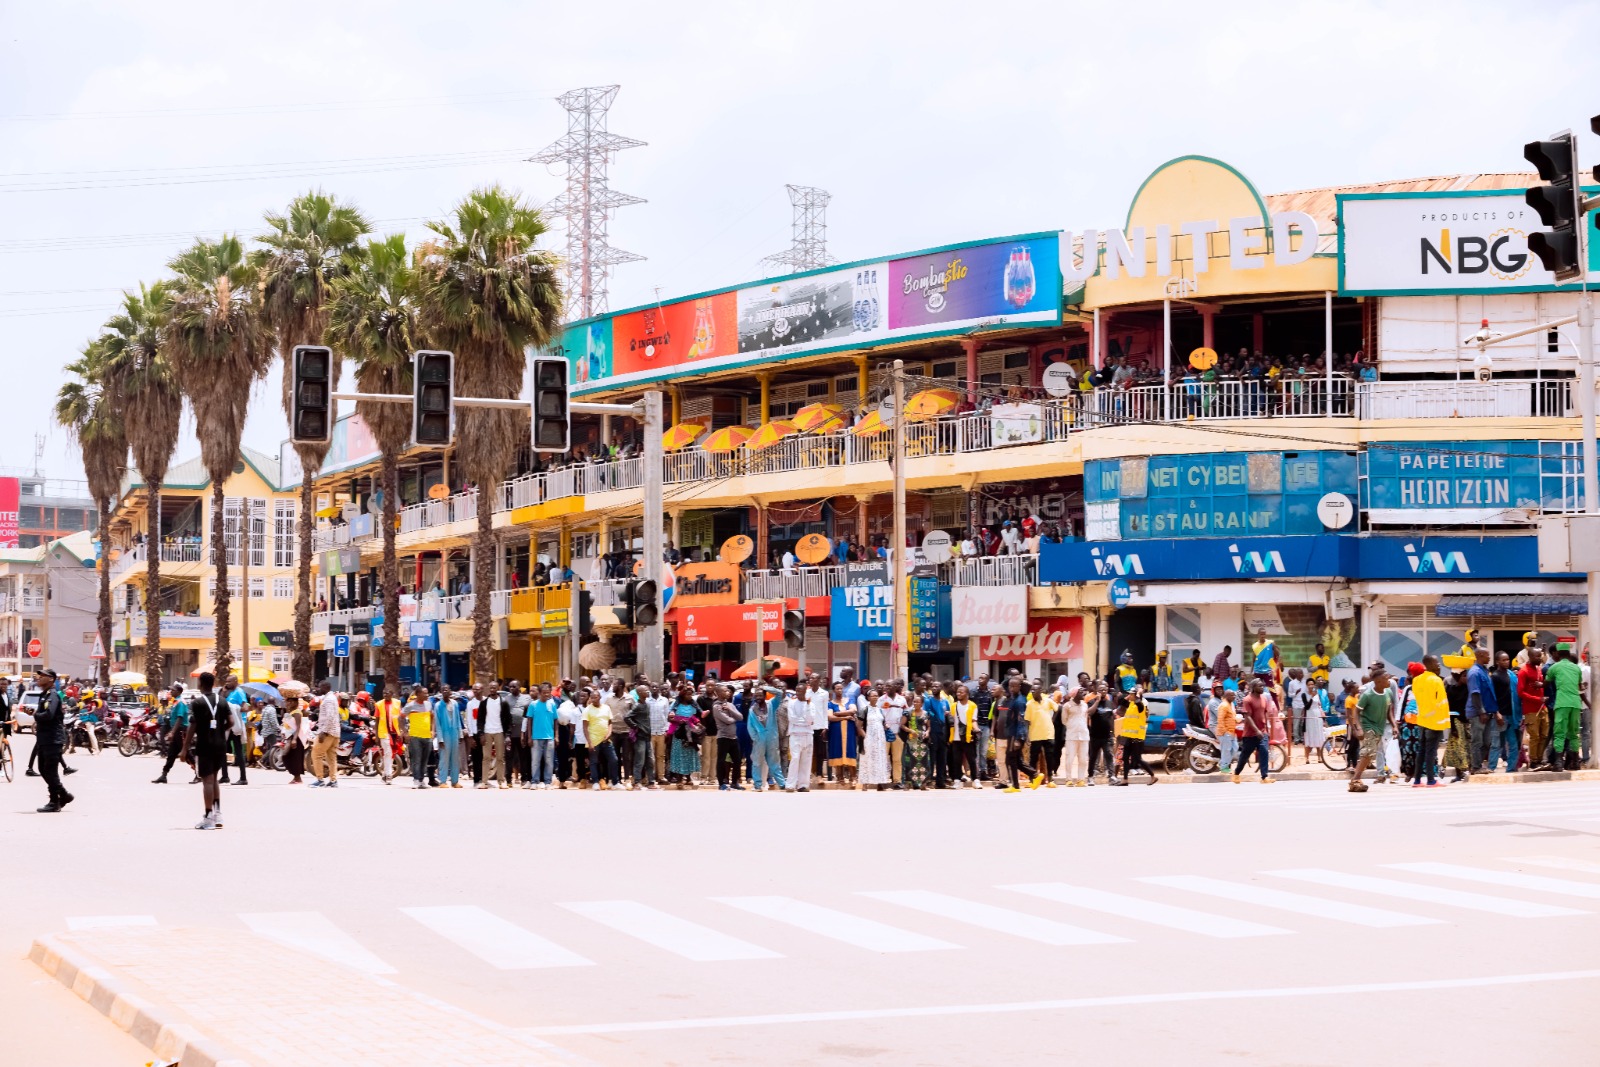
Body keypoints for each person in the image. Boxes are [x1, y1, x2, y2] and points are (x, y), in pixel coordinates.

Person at [185, 672, 232, 829]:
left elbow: (193, 726)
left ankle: (208, 817)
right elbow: (231, 721)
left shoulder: (197, 703)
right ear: (213, 683)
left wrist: (184, 748)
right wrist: (220, 730)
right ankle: (218, 815)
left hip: (205, 744)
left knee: (207, 781)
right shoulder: (223, 701)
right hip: (220, 744)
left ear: (200, 683)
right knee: (215, 778)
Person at [31, 669, 71, 813]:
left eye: (42, 676)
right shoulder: (45, 695)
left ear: (51, 679)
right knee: (43, 769)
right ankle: (64, 794)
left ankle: (55, 801)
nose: (39, 678)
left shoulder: (53, 695)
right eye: (39, 676)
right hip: (45, 738)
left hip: (53, 739)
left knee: (50, 771)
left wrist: (36, 715)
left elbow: (49, 715)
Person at [1348, 666, 1392, 792]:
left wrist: (1394, 725)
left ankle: (1355, 780)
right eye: (1386, 678)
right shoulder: (1367, 695)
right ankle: (1355, 780)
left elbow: (1389, 712)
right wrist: (1358, 728)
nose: (1389, 680)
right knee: (1368, 752)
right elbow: (1356, 712)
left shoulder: (1388, 693)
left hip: (1379, 727)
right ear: (1378, 681)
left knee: (1369, 754)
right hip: (1368, 726)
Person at [1410, 656, 1450, 787]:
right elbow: (1442, 702)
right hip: (1435, 721)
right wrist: (1445, 722)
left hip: (1422, 719)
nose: (1439, 665)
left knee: (1421, 750)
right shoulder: (1436, 680)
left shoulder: (1416, 680)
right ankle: (1431, 780)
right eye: (1436, 662)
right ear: (1429, 664)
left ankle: (1417, 780)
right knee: (1431, 751)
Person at [1547, 643, 1587, 771]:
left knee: (1559, 733)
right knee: (1574, 733)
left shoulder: (1554, 667)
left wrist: (1539, 685)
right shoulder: (1576, 668)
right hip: (1575, 704)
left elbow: (1546, 682)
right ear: (1569, 654)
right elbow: (1580, 686)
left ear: (1558, 654)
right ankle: (1575, 763)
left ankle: (1558, 763)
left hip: (1562, 703)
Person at [1232, 679, 1275, 784]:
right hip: (1250, 734)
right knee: (1245, 755)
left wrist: (1266, 729)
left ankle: (1264, 777)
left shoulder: (1264, 698)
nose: (1262, 687)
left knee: (1264, 751)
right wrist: (1256, 731)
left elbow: (1265, 714)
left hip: (1262, 731)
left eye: (1262, 686)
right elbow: (1247, 717)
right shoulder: (1247, 699)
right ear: (1253, 687)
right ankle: (1236, 773)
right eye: (1260, 686)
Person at [1113, 685, 1156, 785]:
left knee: (1137, 759)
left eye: (1131, 694)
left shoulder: (1141, 705)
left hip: (1137, 737)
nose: (1129, 695)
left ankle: (1153, 776)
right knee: (1125, 758)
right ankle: (1125, 779)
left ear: (1136, 696)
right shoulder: (1131, 704)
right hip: (1128, 735)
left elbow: (1139, 705)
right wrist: (1128, 697)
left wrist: (1137, 695)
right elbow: (1121, 705)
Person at [747, 686, 785, 792]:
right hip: (759, 740)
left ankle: (782, 784)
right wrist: (756, 738)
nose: (758, 697)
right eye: (756, 695)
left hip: (772, 738)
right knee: (757, 762)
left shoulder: (771, 704)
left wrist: (765, 687)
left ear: (765, 696)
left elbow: (779, 693)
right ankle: (757, 785)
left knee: (774, 762)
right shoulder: (752, 710)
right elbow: (750, 726)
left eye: (760, 695)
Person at [152, 682, 190, 784]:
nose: (171, 691)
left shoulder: (180, 702)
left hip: (180, 730)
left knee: (186, 753)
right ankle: (164, 775)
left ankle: (198, 774)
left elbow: (180, 718)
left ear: (179, 691)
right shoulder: (175, 701)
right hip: (176, 730)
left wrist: (172, 732)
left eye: (173, 690)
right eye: (171, 690)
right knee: (171, 754)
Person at [1519, 646, 1549, 770]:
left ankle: (1540, 760)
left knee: (1544, 735)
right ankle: (1533, 761)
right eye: (1537, 656)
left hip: (1542, 707)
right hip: (1531, 709)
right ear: (1530, 657)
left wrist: (1541, 685)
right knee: (1534, 736)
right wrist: (1538, 699)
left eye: (1540, 656)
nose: (1540, 658)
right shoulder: (1523, 671)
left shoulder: (1538, 669)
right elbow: (1520, 692)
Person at [475, 682, 510, 788]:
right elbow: (480, 720)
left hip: (499, 731)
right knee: (486, 757)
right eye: (491, 688)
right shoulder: (484, 703)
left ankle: (501, 781)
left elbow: (508, 719)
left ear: (498, 688)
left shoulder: (503, 702)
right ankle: (484, 782)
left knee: (500, 757)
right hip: (487, 732)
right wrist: (481, 734)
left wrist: (507, 734)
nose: (492, 689)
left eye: (494, 687)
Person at [526, 682, 559, 789]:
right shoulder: (533, 705)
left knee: (549, 761)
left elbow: (556, 721)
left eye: (548, 692)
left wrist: (556, 736)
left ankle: (547, 782)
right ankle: (534, 781)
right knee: (535, 761)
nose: (546, 694)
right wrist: (529, 737)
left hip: (549, 737)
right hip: (536, 737)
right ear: (539, 693)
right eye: (544, 692)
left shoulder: (552, 704)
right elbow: (529, 721)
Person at [308, 681, 341, 788]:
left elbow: (330, 716)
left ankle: (320, 779)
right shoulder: (332, 698)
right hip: (335, 732)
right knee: (331, 757)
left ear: (326, 687)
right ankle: (333, 780)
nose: (318, 689)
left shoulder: (329, 700)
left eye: (320, 687)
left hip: (328, 732)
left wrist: (324, 731)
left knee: (316, 754)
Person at [711, 686, 743, 790]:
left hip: (733, 737)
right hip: (723, 737)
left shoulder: (730, 705)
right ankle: (721, 783)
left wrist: (729, 709)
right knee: (721, 761)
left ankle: (734, 782)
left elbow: (741, 717)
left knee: (737, 761)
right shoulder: (716, 706)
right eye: (725, 691)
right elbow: (728, 720)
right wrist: (734, 718)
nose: (728, 692)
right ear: (718, 693)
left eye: (728, 691)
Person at [400, 687, 433, 788]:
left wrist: (433, 730)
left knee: (424, 760)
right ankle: (416, 779)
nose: (427, 695)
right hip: (415, 736)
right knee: (416, 759)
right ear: (418, 694)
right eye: (424, 693)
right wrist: (405, 732)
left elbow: (432, 717)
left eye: (427, 693)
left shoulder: (428, 704)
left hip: (427, 736)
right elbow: (400, 718)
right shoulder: (410, 706)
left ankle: (421, 780)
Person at [219, 675, 248, 786]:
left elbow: (245, 707)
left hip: (236, 726)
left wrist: (234, 708)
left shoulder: (239, 692)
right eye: (226, 681)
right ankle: (225, 776)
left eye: (229, 681)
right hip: (227, 725)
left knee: (238, 751)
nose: (227, 683)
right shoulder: (228, 692)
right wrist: (223, 691)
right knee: (222, 749)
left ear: (235, 681)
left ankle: (243, 778)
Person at [1060, 681, 1090, 786]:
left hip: (1084, 735)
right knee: (1070, 758)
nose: (1083, 694)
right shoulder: (1067, 706)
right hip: (1072, 735)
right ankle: (1068, 779)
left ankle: (1080, 779)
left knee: (1083, 759)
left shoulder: (1085, 705)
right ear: (1075, 694)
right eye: (1081, 692)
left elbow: (1085, 718)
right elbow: (1064, 720)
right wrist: (1072, 726)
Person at [374, 686, 404, 783]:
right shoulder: (379, 704)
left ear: (392, 694)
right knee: (388, 752)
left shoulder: (397, 703)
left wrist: (402, 730)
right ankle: (388, 775)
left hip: (395, 732)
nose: (385, 695)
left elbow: (400, 718)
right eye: (384, 693)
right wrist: (377, 736)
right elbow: (377, 721)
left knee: (392, 753)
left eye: (387, 693)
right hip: (384, 732)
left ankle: (384, 774)